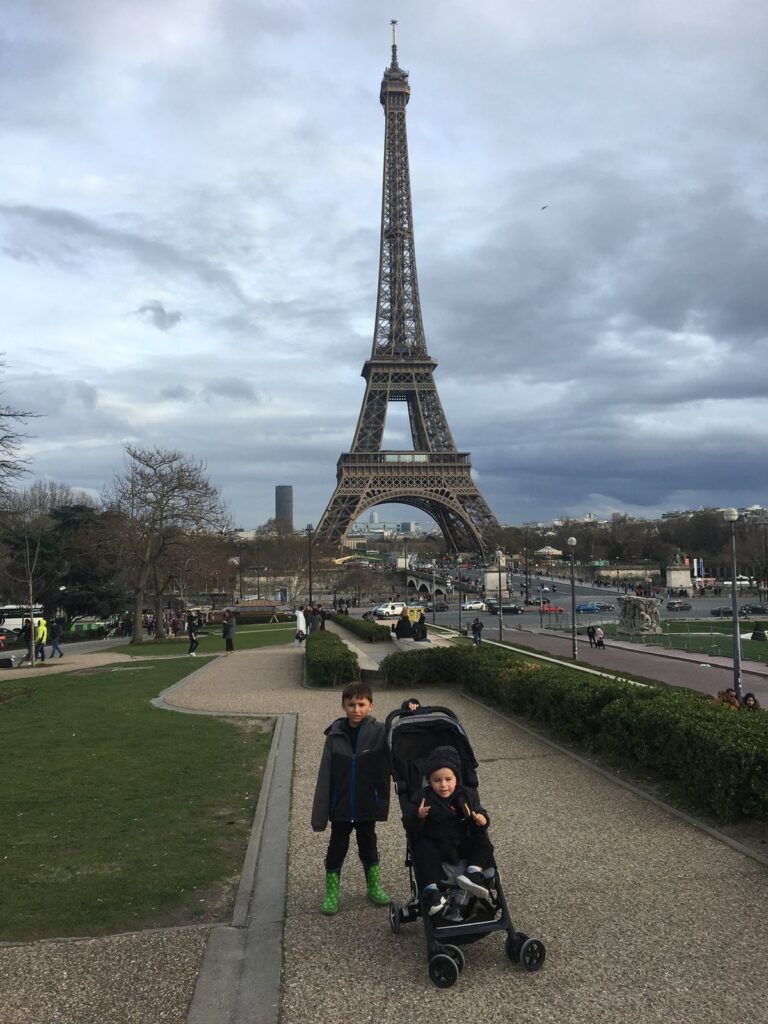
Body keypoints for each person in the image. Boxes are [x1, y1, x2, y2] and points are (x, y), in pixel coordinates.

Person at [311, 681, 391, 915]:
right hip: (342, 806)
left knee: (368, 845)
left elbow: (401, 737)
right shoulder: (335, 736)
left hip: (368, 803)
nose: (356, 709)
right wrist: (320, 816)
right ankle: (332, 892)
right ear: (343, 706)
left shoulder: (380, 733)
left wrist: (409, 708)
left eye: (361, 704)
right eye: (351, 705)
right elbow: (325, 775)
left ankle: (373, 885)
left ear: (371, 706)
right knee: (337, 847)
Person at [405, 745, 496, 916]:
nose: (443, 785)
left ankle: (472, 873)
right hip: (437, 844)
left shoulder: (467, 794)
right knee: (422, 849)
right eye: (437, 780)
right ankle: (431, 892)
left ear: (456, 778)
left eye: (448, 779)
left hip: (463, 841)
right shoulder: (422, 797)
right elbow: (409, 824)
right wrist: (418, 816)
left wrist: (482, 819)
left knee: (484, 843)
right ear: (429, 781)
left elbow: (480, 812)